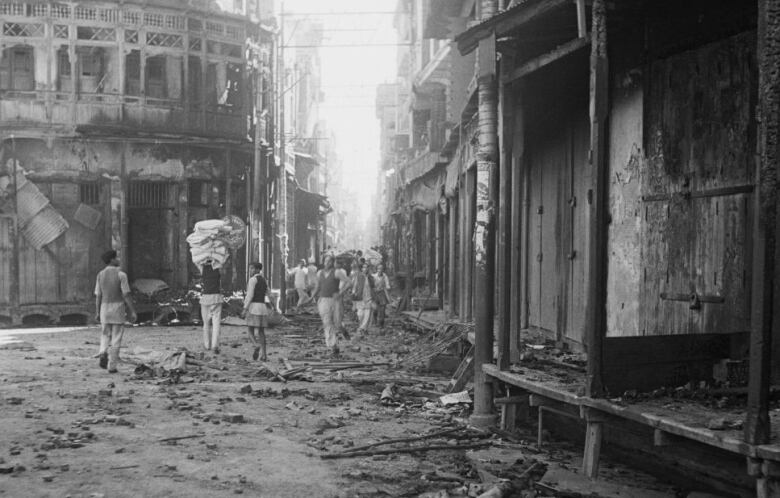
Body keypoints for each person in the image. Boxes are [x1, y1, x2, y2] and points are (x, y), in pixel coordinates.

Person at [94, 250, 137, 373]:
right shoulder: (121, 274)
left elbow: (98, 296)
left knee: (105, 334)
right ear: (112, 260)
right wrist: (132, 310)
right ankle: (112, 366)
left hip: (104, 308)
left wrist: (97, 312)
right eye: (116, 258)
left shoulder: (100, 275)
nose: (118, 259)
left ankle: (102, 352)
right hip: (117, 308)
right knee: (116, 337)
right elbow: (126, 294)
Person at [311, 255, 352, 356]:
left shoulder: (337, 272)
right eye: (326, 261)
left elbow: (349, 282)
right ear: (323, 261)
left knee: (337, 323)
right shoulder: (319, 273)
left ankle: (343, 329)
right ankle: (334, 346)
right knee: (327, 322)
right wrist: (311, 297)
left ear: (333, 263)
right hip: (323, 300)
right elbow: (317, 286)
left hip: (335, 300)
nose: (327, 263)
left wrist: (341, 293)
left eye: (330, 261)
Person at [242, 262, 275, 361]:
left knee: (250, 330)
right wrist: (274, 307)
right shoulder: (264, 280)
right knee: (261, 332)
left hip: (253, 308)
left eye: (252, 268)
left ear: (257, 270)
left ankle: (256, 345)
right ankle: (264, 355)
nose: (250, 271)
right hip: (263, 308)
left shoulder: (252, 280)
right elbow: (270, 295)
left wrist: (245, 309)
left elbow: (250, 295)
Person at [200, 264, 223, 354]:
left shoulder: (202, 269)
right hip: (216, 297)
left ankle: (207, 345)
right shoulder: (218, 269)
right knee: (216, 323)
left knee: (206, 324)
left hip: (206, 298)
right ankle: (215, 346)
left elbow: (197, 262)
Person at [352, 262, 375, 337]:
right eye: (364, 267)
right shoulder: (358, 276)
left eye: (367, 267)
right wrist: (354, 293)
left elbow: (373, 287)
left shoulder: (371, 277)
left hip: (369, 298)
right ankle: (363, 327)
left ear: (368, 268)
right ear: (361, 268)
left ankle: (362, 329)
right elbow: (355, 285)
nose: (365, 269)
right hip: (360, 297)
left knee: (367, 315)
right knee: (360, 314)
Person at [373, 263, 391, 329]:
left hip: (382, 294)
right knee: (375, 309)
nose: (379, 270)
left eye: (381, 268)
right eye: (378, 268)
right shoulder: (374, 276)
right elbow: (371, 284)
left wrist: (388, 286)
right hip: (375, 294)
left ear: (383, 270)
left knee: (382, 309)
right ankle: (375, 320)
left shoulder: (385, 276)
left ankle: (381, 323)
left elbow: (387, 283)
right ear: (376, 269)